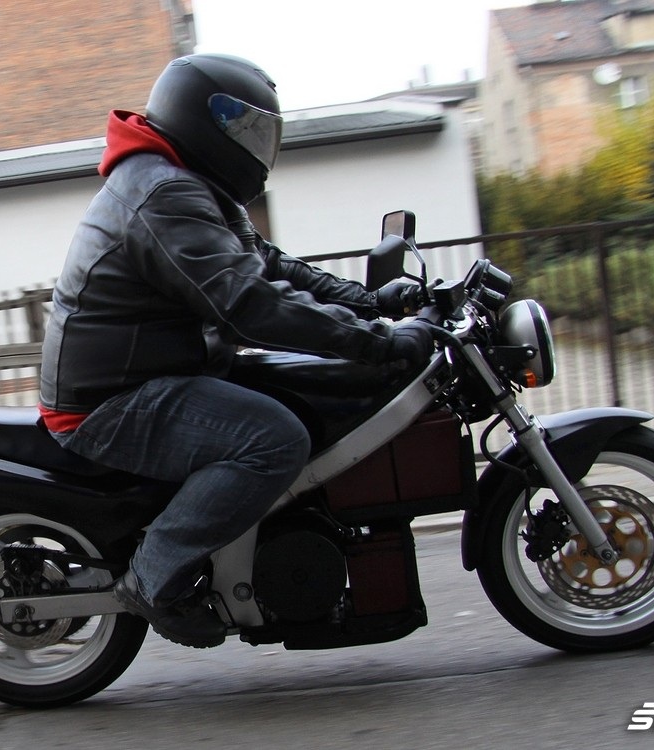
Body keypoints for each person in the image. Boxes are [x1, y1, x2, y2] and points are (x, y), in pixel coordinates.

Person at [38, 53, 435, 648]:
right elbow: (248, 303)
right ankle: (152, 578)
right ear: (203, 121)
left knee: (306, 387)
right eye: (245, 130)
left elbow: (268, 265)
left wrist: (370, 303)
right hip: (111, 403)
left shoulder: (186, 182)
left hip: (156, 374)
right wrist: (382, 344)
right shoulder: (163, 193)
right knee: (275, 440)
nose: (256, 146)